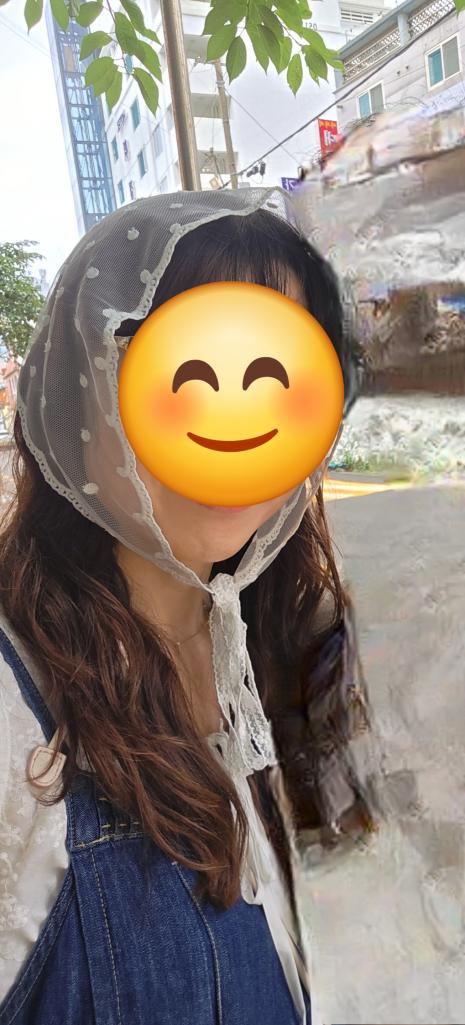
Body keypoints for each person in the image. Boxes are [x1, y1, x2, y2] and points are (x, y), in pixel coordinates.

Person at [0, 187, 374, 1024]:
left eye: (276, 371)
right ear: (83, 386)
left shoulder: (303, 634)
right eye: (187, 370)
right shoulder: (15, 716)